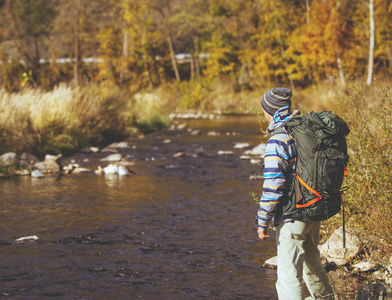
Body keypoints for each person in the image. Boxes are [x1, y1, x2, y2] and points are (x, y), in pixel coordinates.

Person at [256, 87, 334, 300]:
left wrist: (263, 220)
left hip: (292, 216)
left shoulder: (277, 139)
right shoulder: (303, 129)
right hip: (313, 209)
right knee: (313, 265)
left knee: (288, 275)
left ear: (269, 110)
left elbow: (273, 185)